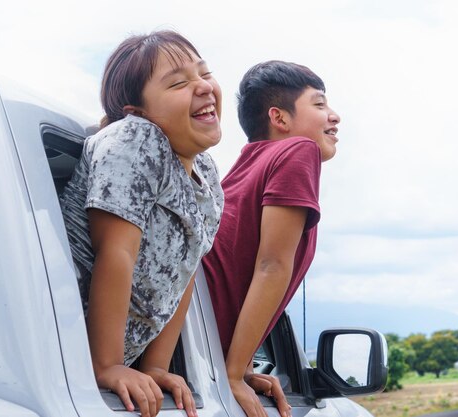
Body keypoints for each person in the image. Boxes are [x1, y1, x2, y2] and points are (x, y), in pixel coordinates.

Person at [60, 30, 223, 417]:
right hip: (59, 358)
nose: (203, 87)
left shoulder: (207, 174)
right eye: (180, 82)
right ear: (137, 111)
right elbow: (115, 252)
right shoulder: (134, 138)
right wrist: (108, 365)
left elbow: (184, 275)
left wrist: (155, 368)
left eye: (205, 73)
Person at [202, 60, 341, 417]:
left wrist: (243, 365)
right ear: (279, 119)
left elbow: (230, 268)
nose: (335, 117)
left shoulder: (242, 171)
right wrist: (231, 376)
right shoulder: (298, 150)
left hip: (193, 351)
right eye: (320, 105)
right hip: (199, 359)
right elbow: (270, 265)